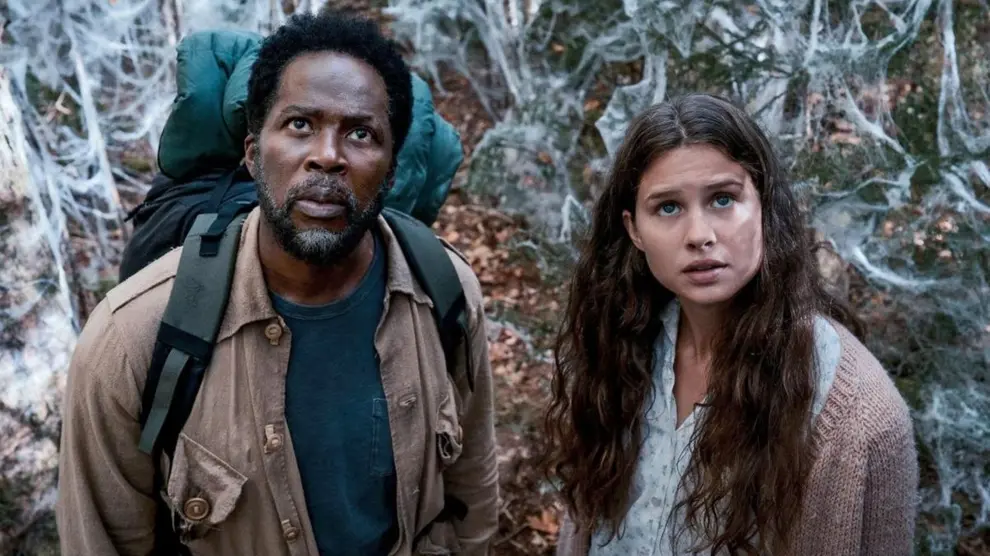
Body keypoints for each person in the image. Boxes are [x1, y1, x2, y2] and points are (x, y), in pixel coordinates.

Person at [55, 11, 498, 556]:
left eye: (360, 133)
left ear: (390, 170)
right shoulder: (129, 341)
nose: (327, 157)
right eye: (299, 125)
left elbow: (472, 484)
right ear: (252, 153)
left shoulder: (445, 291)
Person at [545, 93, 918, 555]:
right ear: (634, 228)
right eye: (668, 207)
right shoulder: (621, 342)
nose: (700, 235)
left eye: (723, 199)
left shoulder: (857, 414)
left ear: (764, 207)